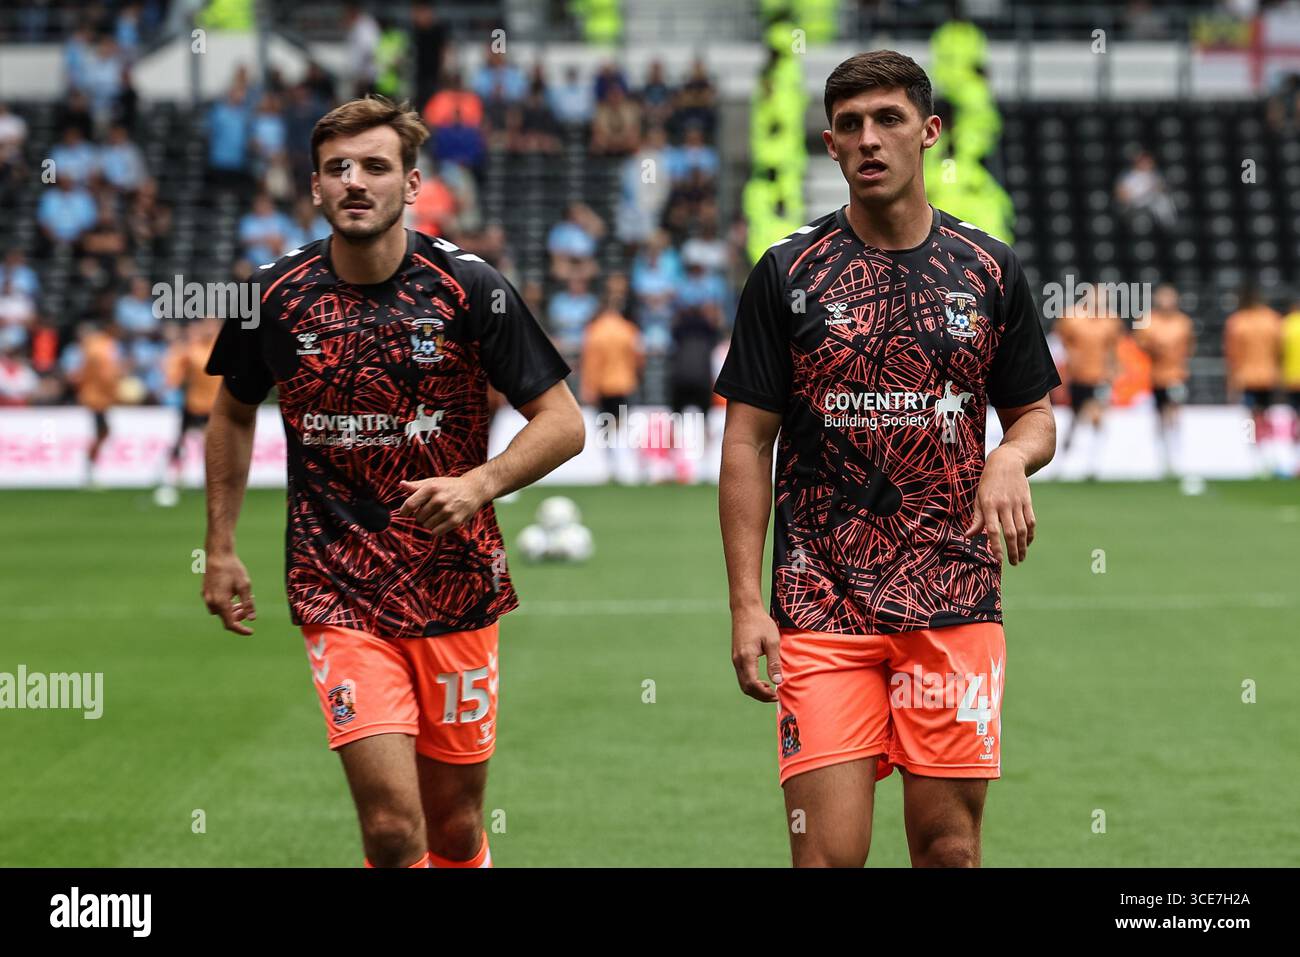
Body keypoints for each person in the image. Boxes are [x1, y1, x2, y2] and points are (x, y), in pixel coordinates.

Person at [201, 95, 584, 868]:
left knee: (453, 825)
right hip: (336, 584)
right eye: (336, 168)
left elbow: (563, 422)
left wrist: (479, 484)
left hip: (457, 584)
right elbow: (232, 412)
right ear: (313, 188)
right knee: (389, 827)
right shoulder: (270, 294)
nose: (354, 181)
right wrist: (219, 546)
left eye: (375, 166)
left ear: (411, 184)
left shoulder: (470, 287)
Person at [714, 51, 1059, 868]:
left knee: (948, 850)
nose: (869, 139)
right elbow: (746, 440)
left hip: (954, 596)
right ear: (829, 145)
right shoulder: (786, 273)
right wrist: (742, 603)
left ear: (929, 131)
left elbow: (1036, 417)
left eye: (888, 119)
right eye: (850, 125)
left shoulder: (989, 269)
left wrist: (1010, 456)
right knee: (827, 856)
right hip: (819, 603)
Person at [580, 276, 643, 482]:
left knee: (605, 428)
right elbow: (638, 358)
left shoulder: (595, 330)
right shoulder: (628, 329)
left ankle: (611, 466)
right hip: (624, 383)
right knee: (621, 425)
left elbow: (590, 362)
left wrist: (588, 387)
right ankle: (625, 465)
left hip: (603, 385)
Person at [1056, 295, 1123, 480]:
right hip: (1078, 377)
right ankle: (1064, 463)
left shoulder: (1110, 321)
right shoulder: (1071, 318)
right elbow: (1061, 344)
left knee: (1095, 416)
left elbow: (1112, 349)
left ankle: (1093, 464)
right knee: (1075, 419)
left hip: (1099, 378)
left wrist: (1112, 373)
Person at [156, 318, 222, 503]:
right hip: (193, 405)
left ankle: (211, 481)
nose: (209, 328)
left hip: (215, 407)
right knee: (180, 443)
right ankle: (172, 479)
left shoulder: (221, 348)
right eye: (206, 324)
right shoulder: (191, 349)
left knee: (212, 446)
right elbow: (174, 371)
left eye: (213, 324)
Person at [1134, 284, 1194, 477]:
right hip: (1157, 377)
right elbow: (1141, 344)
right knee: (1160, 416)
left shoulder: (1183, 322)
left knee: (1174, 413)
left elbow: (1188, 348)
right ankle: (1163, 457)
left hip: (1176, 376)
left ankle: (1177, 457)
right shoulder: (1148, 321)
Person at [1223, 285, 1282, 474]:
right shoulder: (1272, 319)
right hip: (1268, 375)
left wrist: (1231, 382)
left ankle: (1253, 453)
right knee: (1265, 415)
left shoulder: (1237, 321)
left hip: (1246, 377)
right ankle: (1267, 451)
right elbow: (1279, 350)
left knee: (1249, 418)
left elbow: (1232, 355)